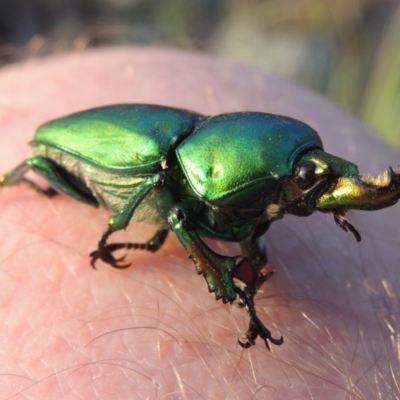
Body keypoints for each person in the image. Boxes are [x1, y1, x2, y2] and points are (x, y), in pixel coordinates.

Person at [0, 47, 398, 399]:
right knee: (44, 168)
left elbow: (250, 224)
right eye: (304, 179)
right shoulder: (184, 166)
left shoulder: (222, 163)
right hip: (91, 154)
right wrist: (120, 223)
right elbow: (176, 212)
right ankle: (224, 284)